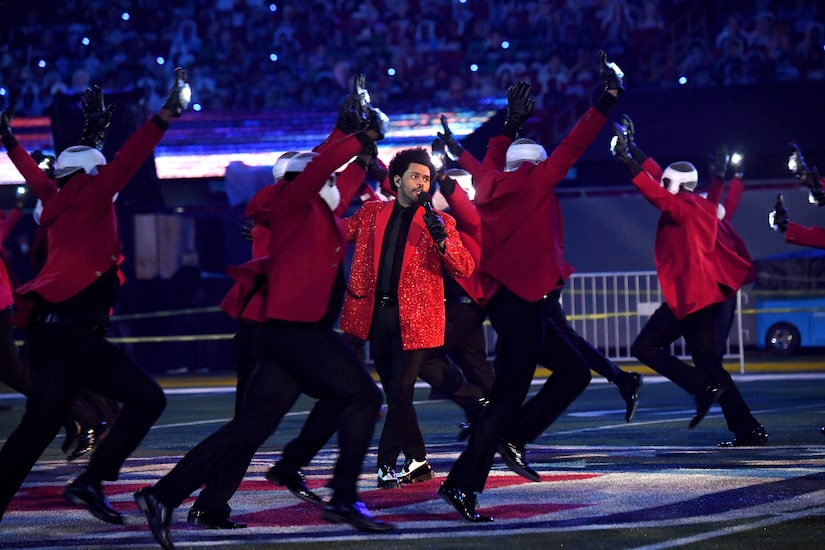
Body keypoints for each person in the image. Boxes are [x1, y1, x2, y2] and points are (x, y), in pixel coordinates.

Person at [133, 114, 393, 550]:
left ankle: (162, 496)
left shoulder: (316, 210)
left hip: (288, 334)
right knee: (364, 397)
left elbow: (339, 182)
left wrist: (360, 151)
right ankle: (341, 495)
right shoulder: (290, 204)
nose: (329, 182)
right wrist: (357, 138)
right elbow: (316, 174)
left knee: (249, 428)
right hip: (295, 331)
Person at [437, 50, 625, 522]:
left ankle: (513, 437)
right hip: (525, 304)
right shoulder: (538, 181)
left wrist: (508, 122)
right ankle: (463, 483)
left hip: (513, 302)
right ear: (537, 161)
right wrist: (606, 100)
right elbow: (575, 144)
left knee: (575, 372)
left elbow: (485, 160)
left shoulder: (490, 181)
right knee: (505, 400)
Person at [0, 67, 191, 525]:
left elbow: (36, 170)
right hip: (74, 337)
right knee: (148, 400)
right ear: (90, 174)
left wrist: (8, 139)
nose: (109, 175)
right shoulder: (92, 193)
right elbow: (130, 156)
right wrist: (166, 113)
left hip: (48, 333)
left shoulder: (57, 195)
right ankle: (91, 480)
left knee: (35, 429)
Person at [610, 116, 767, 448]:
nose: (662, 181)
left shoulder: (682, 206)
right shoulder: (696, 202)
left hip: (697, 297)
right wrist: (633, 148)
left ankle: (702, 389)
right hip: (701, 295)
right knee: (709, 364)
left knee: (646, 347)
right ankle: (746, 427)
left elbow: (655, 190)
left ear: (676, 185)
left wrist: (625, 160)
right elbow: (656, 173)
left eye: (667, 181)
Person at [338, 145, 475, 489]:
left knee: (401, 389)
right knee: (397, 394)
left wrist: (442, 239)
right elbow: (337, 232)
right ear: (397, 180)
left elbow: (464, 267)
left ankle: (384, 465)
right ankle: (418, 461)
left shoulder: (441, 221)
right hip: (378, 316)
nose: (422, 184)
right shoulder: (372, 213)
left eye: (427, 179)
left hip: (418, 319)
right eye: (415, 176)